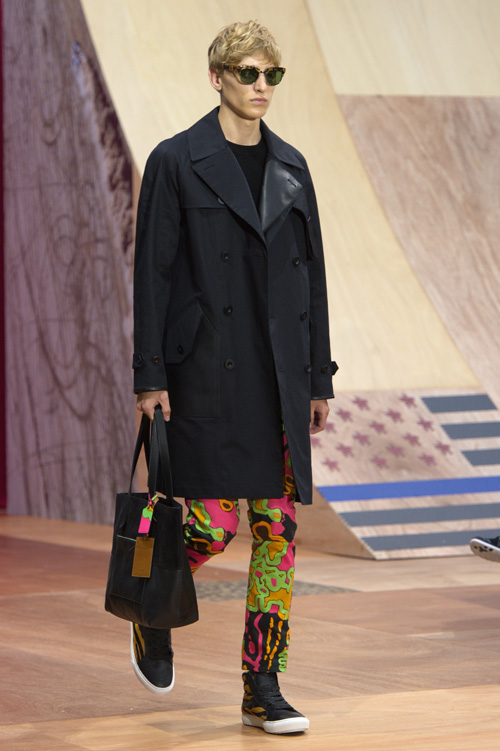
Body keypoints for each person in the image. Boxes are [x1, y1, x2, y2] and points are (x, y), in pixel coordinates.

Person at [131, 20, 337, 735]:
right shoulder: (176, 160)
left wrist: (319, 377)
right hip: (208, 370)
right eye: (248, 73)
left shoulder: (292, 166)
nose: (261, 87)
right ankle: (151, 607)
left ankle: (263, 683)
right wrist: (149, 374)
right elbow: (152, 274)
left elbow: (312, 280)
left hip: (279, 374)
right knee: (212, 526)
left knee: (277, 528)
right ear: (216, 77)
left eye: (271, 75)